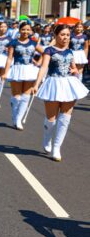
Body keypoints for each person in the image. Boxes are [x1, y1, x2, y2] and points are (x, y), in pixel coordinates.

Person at [33, 24, 88, 161]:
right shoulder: (49, 50)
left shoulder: (70, 51)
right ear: (56, 35)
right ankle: (47, 139)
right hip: (53, 84)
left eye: (68, 35)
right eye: (62, 34)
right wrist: (36, 83)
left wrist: (75, 71)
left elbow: (74, 67)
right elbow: (44, 67)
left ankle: (57, 148)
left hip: (69, 84)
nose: (65, 37)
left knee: (65, 118)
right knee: (51, 119)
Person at [3, 22, 43, 130]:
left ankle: (18, 120)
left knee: (26, 96)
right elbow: (10, 58)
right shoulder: (14, 43)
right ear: (19, 30)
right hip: (17, 69)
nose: (26, 32)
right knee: (16, 97)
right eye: (23, 29)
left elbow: (45, 53)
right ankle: (15, 115)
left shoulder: (34, 43)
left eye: (28, 30)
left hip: (29, 70)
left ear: (31, 31)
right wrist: (5, 72)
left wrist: (39, 63)